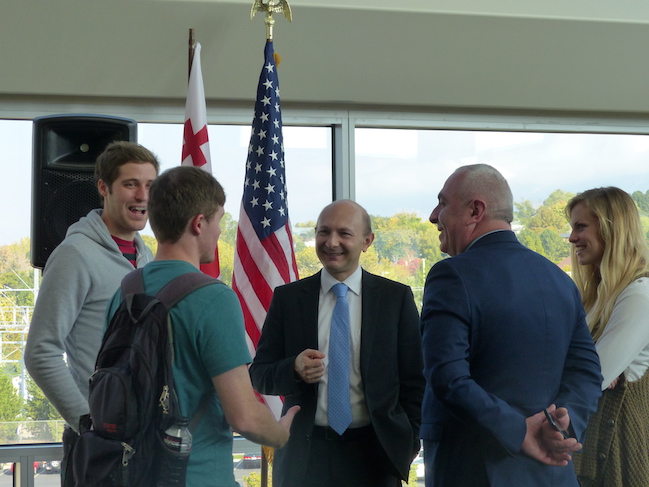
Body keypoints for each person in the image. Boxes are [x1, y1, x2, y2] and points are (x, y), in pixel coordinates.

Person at [104, 165, 299, 485]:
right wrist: (279, 433)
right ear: (198, 223)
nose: (220, 232)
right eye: (218, 220)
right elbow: (244, 416)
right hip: (195, 475)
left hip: (132, 473)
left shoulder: (126, 289)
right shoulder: (213, 299)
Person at [420, 163, 602, 487]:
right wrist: (563, 423)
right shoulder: (560, 280)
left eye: (443, 203)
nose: (434, 215)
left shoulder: (451, 275)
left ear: (476, 210)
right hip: (553, 473)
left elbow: (447, 376)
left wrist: (520, 432)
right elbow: (587, 372)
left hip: (474, 471)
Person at [250, 199, 425, 487]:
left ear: (367, 241)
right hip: (306, 457)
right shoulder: (288, 299)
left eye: (344, 233)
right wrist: (293, 369)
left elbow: (415, 382)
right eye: (324, 232)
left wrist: (408, 442)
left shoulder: (395, 299)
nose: (332, 242)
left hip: (375, 457)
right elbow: (259, 375)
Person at [25, 140, 159, 485]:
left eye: (150, 185)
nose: (143, 196)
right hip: (96, 444)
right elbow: (41, 351)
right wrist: (88, 422)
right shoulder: (75, 254)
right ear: (103, 188)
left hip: (142, 439)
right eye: (131, 184)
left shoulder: (146, 258)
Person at [566, 187, 649, 487]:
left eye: (581, 226)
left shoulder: (639, 295)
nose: (572, 237)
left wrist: (583, 364)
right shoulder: (602, 296)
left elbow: (590, 375)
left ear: (611, 228)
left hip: (617, 456)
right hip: (594, 453)